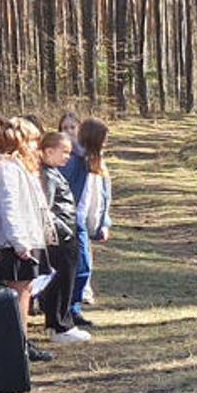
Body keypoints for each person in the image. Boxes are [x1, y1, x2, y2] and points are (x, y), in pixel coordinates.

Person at [0, 118, 56, 364]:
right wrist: (19, 241)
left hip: (25, 236)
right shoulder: (4, 168)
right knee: (18, 293)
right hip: (12, 241)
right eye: (33, 140)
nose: (36, 146)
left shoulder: (18, 166)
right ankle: (16, 344)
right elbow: (8, 206)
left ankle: (20, 341)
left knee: (25, 291)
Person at [39, 131, 90, 344]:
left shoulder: (53, 172)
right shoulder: (47, 176)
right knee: (62, 280)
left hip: (65, 234)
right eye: (64, 152)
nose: (68, 157)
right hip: (61, 238)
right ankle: (61, 325)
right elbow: (46, 209)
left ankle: (57, 322)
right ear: (49, 151)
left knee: (65, 279)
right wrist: (64, 231)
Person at [61, 118, 112, 329]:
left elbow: (103, 195)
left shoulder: (97, 161)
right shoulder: (74, 161)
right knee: (79, 267)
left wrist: (103, 223)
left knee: (83, 267)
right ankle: (69, 309)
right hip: (71, 220)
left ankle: (74, 308)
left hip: (83, 220)